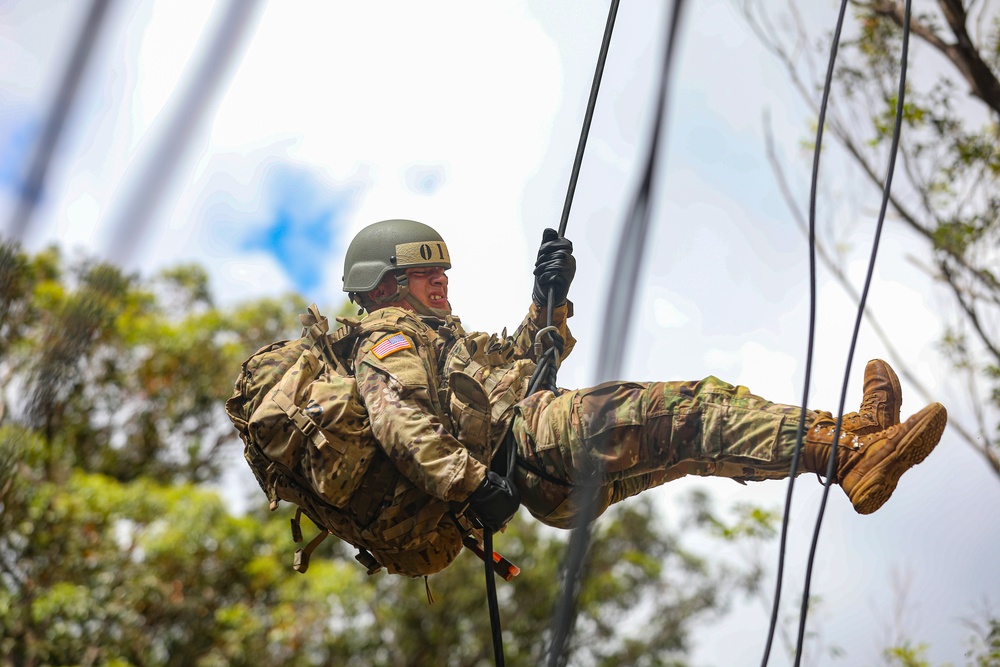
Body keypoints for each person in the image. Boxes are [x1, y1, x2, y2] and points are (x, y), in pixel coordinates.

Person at [339, 218, 947, 572]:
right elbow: (402, 424)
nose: (440, 279)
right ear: (385, 284)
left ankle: (853, 445)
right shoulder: (387, 337)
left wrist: (548, 302)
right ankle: (851, 448)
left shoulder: (440, 340)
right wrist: (471, 488)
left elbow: (523, 369)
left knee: (696, 445)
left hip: (540, 476)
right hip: (532, 446)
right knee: (693, 409)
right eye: (423, 271)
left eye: (440, 269)